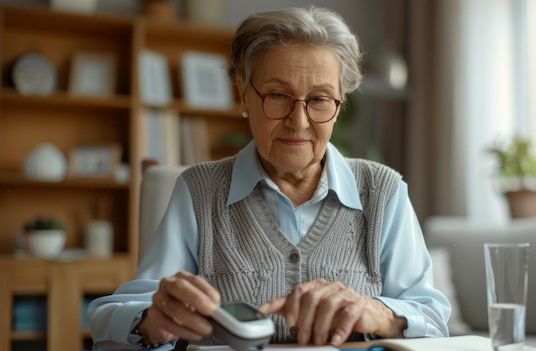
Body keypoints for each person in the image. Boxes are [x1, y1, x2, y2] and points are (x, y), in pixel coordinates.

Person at [88, 6, 450, 350]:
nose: (299, 121)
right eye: (278, 95)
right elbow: (107, 320)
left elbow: (433, 320)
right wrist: (152, 321)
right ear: (244, 94)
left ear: (340, 105)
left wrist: (379, 313)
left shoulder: (383, 191)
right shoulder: (199, 191)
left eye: (320, 99)